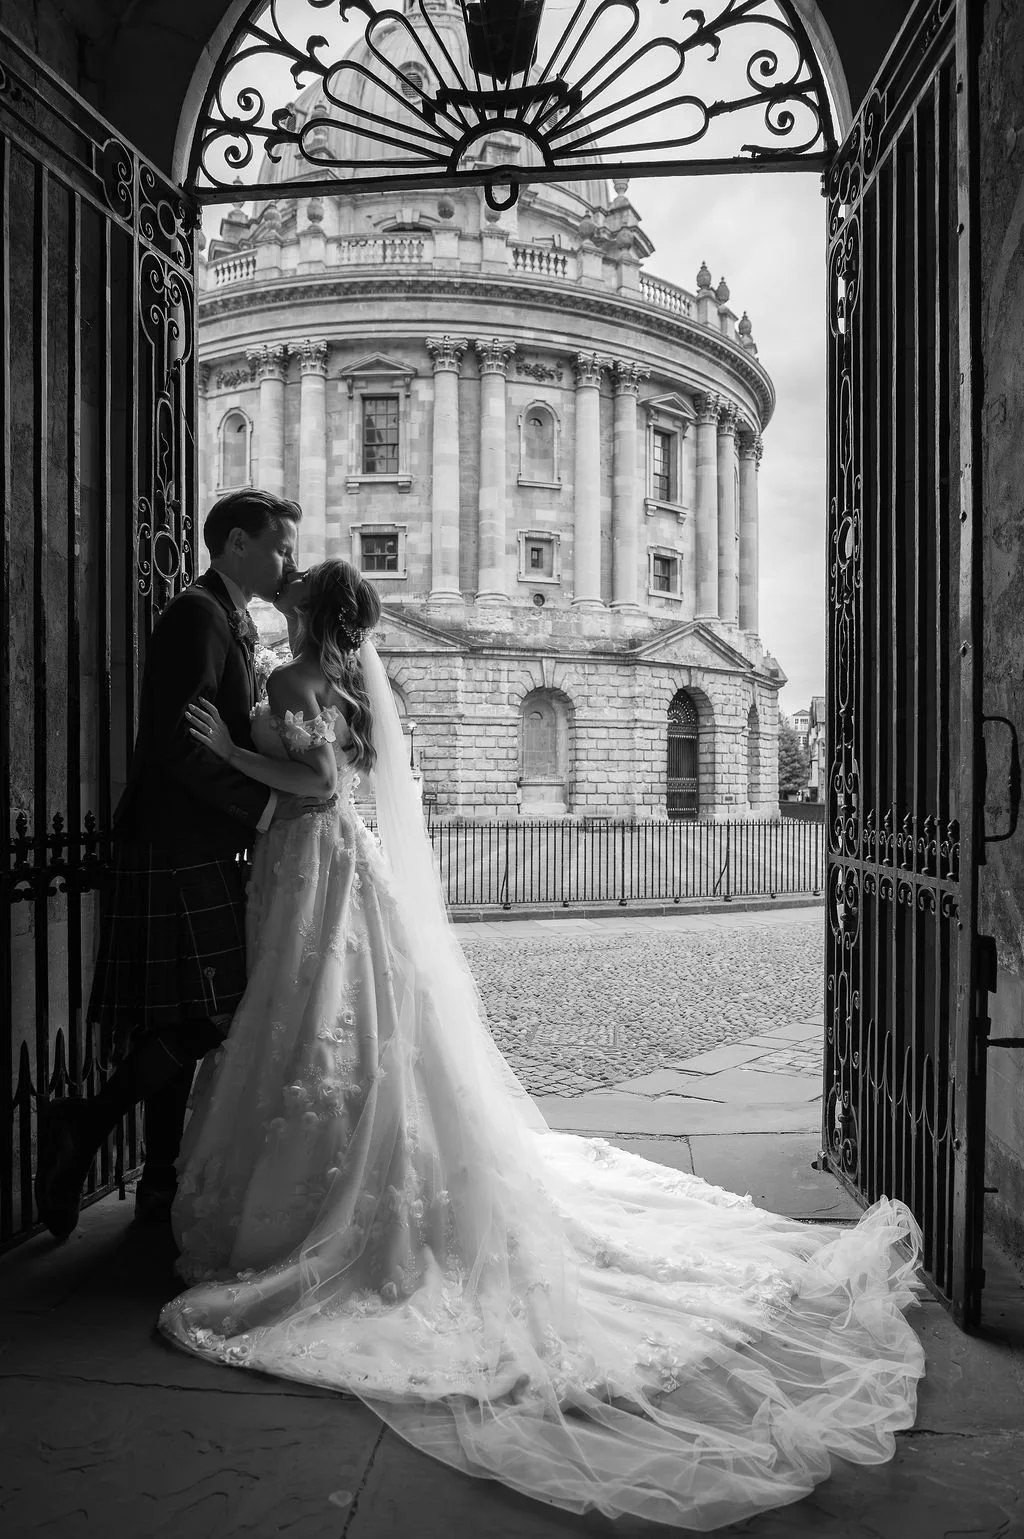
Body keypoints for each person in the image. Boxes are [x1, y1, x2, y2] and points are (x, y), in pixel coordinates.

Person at [158, 557, 925, 1530]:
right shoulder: (356, 677)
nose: (290, 579)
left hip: (311, 856)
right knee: (355, 1017)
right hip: (344, 863)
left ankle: (315, 1182)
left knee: (315, 1011)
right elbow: (344, 775)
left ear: (309, 611)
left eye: (299, 582)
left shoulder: (287, 678)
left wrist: (229, 751)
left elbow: (311, 783)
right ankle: (353, 1151)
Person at [34, 489, 303, 1239]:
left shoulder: (230, 618)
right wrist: (261, 810)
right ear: (239, 543)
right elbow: (175, 743)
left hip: (195, 843)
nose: (289, 560)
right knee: (209, 1013)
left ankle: (156, 1179)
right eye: (280, 545)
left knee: (182, 1015)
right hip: (176, 842)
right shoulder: (198, 615)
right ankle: (85, 1125)